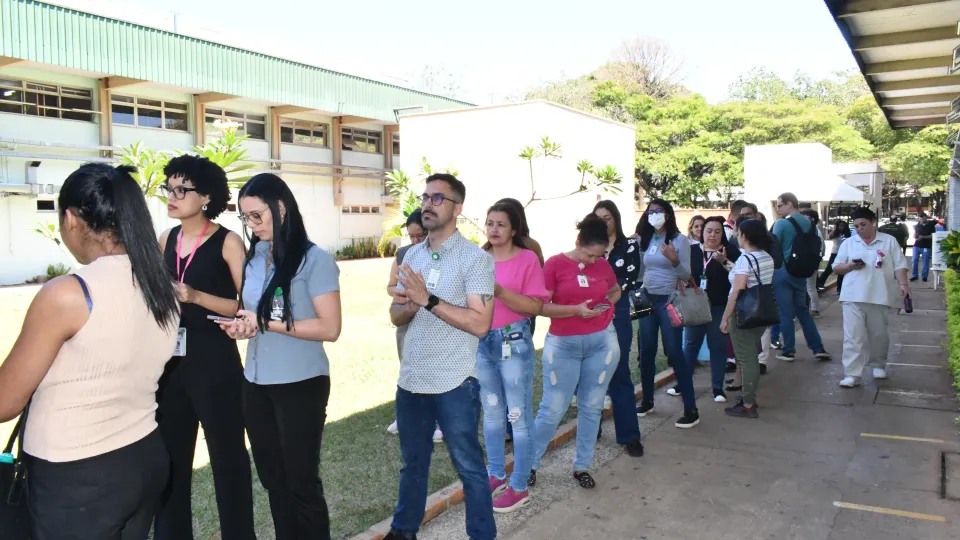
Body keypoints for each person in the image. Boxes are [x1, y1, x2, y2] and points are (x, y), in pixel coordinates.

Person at [0, 163, 179, 539]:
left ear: (71, 219)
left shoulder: (68, 293)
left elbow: (5, 401)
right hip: (142, 455)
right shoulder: (161, 285)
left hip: (76, 474)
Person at [218, 173, 342, 540]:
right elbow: (254, 314)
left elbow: (330, 328)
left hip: (300, 383)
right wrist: (245, 326)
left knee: (301, 479)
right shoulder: (255, 257)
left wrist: (265, 324)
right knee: (273, 479)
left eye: (257, 215)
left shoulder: (314, 259)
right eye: (245, 218)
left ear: (281, 208)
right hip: (256, 382)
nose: (251, 226)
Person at [385, 173, 496, 540]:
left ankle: (482, 534)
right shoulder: (412, 255)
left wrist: (428, 300)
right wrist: (410, 305)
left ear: (457, 208)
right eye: (425, 197)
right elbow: (395, 315)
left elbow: (481, 324)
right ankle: (403, 532)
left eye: (437, 199)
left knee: (469, 466)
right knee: (412, 464)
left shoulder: (475, 260)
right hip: (412, 379)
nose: (427, 205)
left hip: (455, 381)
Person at [154, 156, 255, 540]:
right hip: (171, 366)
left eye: (183, 189)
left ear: (206, 196)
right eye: (170, 188)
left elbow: (248, 306)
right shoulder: (165, 239)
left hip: (215, 364)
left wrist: (196, 296)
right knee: (172, 465)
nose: (173, 196)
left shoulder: (228, 241)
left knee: (228, 461)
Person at [528, 214, 621, 490]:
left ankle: (582, 465)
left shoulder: (603, 265)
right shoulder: (555, 264)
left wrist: (605, 305)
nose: (595, 261)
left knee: (592, 407)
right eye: (591, 255)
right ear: (578, 242)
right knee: (552, 408)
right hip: (563, 344)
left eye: (600, 255)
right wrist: (575, 311)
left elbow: (615, 291)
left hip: (602, 342)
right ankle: (529, 464)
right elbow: (540, 307)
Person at [476, 202, 547, 512]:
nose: (493, 229)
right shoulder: (479, 258)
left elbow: (535, 307)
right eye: (489, 223)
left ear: (514, 229)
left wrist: (501, 292)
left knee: (518, 416)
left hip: (513, 340)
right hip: (481, 342)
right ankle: (495, 473)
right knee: (491, 414)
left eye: (501, 224)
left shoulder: (527, 258)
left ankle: (519, 485)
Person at [634, 199, 699, 428]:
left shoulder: (680, 241)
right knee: (647, 351)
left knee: (674, 352)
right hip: (647, 300)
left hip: (669, 301)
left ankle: (691, 408)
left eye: (658, 211)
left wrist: (673, 259)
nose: (654, 215)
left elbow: (685, 275)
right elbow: (642, 271)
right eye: (650, 212)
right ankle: (648, 400)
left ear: (668, 215)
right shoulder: (647, 239)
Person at [831, 207, 910, 388]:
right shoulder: (849, 243)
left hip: (879, 295)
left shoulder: (888, 241)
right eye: (856, 226)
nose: (859, 229)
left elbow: (900, 265)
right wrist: (850, 266)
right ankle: (852, 373)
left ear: (873, 222)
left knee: (878, 335)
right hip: (852, 296)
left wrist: (903, 284)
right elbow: (836, 267)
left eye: (863, 225)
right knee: (853, 337)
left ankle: (878, 364)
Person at [593, 200, 644, 456]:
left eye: (607, 217)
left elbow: (628, 280)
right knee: (592, 375)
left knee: (619, 372)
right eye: (598, 218)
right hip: (590, 316)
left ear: (616, 219)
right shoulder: (589, 248)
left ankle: (630, 436)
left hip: (618, 312)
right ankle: (592, 430)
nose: (603, 222)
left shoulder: (629, 246)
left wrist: (605, 300)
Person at [385, 210, 436, 439]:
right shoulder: (403, 253)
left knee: (433, 369)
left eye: (420, 235)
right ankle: (404, 417)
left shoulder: (437, 253)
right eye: (411, 236)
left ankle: (436, 420)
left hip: (433, 318)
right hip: (406, 316)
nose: (416, 240)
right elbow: (390, 286)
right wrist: (403, 293)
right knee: (407, 368)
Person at [719, 218, 776, 419]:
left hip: (742, 314)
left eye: (737, 232)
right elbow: (747, 276)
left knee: (746, 359)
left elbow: (737, 291)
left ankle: (748, 402)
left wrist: (725, 318)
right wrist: (725, 263)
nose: (735, 235)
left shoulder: (746, 259)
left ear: (744, 236)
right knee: (750, 355)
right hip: (760, 313)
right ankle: (748, 398)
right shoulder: (765, 257)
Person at [685, 216, 740, 403]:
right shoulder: (692, 250)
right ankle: (683, 383)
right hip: (695, 306)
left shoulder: (730, 251)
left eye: (717, 231)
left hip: (719, 306)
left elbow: (739, 276)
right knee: (691, 345)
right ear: (702, 232)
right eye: (709, 231)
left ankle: (717, 387)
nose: (713, 235)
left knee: (717, 347)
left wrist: (724, 261)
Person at [771, 193, 832, 362]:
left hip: (783, 271)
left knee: (785, 313)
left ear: (789, 204)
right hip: (802, 272)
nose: (778, 209)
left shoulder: (781, 224)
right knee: (803, 311)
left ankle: (788, 350)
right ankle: (818, 348)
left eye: (780, 205)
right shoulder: (811, 225)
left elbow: (774, 248)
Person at [800, 209, 825, 318]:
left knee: (810, 286)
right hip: (812, 261)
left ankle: (815, 309)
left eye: (805, 217)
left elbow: (821, 247)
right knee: (809, 286)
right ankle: (812, 308)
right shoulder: (814, 230)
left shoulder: (814, 231)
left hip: (810, 262)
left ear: (812, 219)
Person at [817, 220, 851, 294]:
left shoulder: (847, 234)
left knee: (841, 271)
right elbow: (829, 236)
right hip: (835, 253)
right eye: (840, 225)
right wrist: (834, 230)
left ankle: (839, 289)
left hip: (844, 254)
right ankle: (820, 284)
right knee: (829, 269)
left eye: (843, 226)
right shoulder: (834, 234)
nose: (841, 227)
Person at [911, 212, 936, 282]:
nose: (922, 221)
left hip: (926, 246)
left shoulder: (931, 225)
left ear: (926, 217)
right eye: (921, 219)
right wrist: (915, 237)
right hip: (916, 245)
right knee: (914, 261)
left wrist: (923, 237)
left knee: (925, 262)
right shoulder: (918, 225)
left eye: (923, 219)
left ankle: (924, 276)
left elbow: (933, 236)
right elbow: (915, 234)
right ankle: (914, 275)